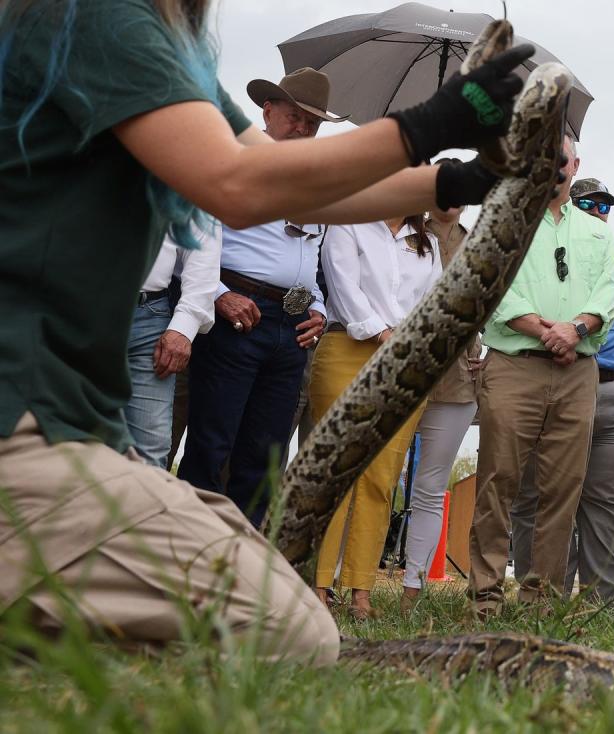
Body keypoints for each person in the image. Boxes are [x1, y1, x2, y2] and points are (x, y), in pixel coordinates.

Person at [0, 0, 533, 663]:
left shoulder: (149, 41)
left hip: (70, 420)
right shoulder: (96, 15)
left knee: (251, 556)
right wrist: (433, 123)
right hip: (20, 419)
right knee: (290, 632)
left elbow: (298, 190)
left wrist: (459, 177)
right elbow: (237, 184)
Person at [177, 69, 344, 526]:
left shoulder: (319, 181)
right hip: (238, 313)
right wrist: (218, 294)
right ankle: (191, 556)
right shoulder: (231, 161)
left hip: (291, 326)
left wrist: (320, 308)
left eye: (312, 124)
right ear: (267, 111)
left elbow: (318, 260)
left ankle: (242, 566)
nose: (303, 130)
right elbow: (191, 235)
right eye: (295, 117)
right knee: (212, 444)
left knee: (267, 455)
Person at [467, 137, 614, 617]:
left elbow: (608, 293)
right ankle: (485, 595)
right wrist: (543, 330)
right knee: (499, 479)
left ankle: (541, 599)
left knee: (563, 486)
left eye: (561, 158)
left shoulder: (598, 233)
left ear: (576, 165)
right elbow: (492, 285)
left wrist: (575, 330)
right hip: (514, 366)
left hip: (577, 371)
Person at [511, 176, 614, 603]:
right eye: (588, 205)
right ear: (568, 208)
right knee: (544, 498)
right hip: (556, 383)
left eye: (604, 207)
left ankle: (610, 605)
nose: (598, 213)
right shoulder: (541, 254)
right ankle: (542, 600)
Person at [312, 214, 442, 620]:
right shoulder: (347, 224)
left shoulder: (428, 243)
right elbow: (344, 287)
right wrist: (385, 335)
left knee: (380, 479)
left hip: (405, 363)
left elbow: (434, 305)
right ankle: (317, 586)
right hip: (348, 350)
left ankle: (361, 590)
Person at [401, 192, 481, 608]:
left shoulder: (480, 242)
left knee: (430, 488)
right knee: (374, 482)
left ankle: (413, 590)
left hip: (457, 379)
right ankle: (344, 583)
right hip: (401, 367)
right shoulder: (402, 233)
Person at [124, 229, 220, 467]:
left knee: (151, 445)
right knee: (67, 433)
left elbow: (203, 239)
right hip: (77, 307)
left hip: (150, 315)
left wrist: (184, 326)